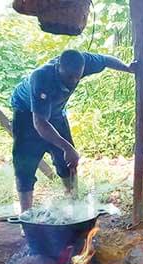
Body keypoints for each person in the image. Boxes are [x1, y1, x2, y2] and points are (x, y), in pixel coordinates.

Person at [10, 50, 136, 212]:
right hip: (26, 112)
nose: (74, 81)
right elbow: (40, 123)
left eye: (78, 76)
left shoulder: (84, 61)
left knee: (66, 161)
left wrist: (128, 68)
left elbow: (105, 60)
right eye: (69, 77)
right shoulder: (41, 77)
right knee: (25, 164)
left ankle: (73, 205)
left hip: (55, 112)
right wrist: (68, 147)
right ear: (58, 68)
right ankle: (26, 216)